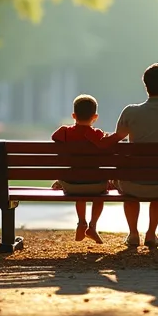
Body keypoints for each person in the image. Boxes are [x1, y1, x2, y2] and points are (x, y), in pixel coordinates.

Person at [111, 63, 158, 248]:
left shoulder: (131, 112)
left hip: (132, 184)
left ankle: (133, 233)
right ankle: (151, 233)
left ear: (146, 86)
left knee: (130, 182)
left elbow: (117, 140)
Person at [50, 95, 111, 244]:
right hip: (97, 184)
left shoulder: (65, 132)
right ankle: (92, 226)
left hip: (72, 184)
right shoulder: (97, 134)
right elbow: (105, 143)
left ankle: (81, 222)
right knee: (101, 193)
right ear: (95, 117)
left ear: (73, 115)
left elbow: (54, 137)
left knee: (80, 187)